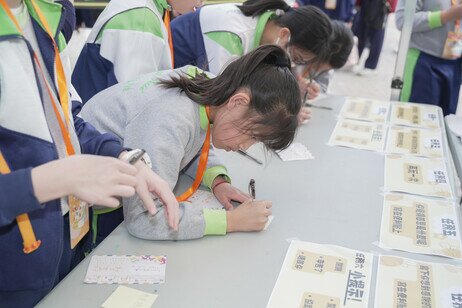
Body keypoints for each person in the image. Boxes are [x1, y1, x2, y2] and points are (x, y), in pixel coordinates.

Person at [0, 0, 178, 306]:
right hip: (14, 268)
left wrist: (124, 158)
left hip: (63, 242)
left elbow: (67, 123)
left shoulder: (46, 18)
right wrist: (55, 179)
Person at [80, 45, 300, 240]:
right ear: (238, 102)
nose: (245, 147)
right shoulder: (171, 119)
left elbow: (193, 141)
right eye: (252, 134)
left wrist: (217, 181)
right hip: (89, 209)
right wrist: (230, 221)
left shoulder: (204, 85)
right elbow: (146, 219)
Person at [171, 0, 332, 123]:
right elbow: (222, 99)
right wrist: (278, 117)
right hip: (171, 91)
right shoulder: (233, 33)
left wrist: (295, 87)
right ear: (284, 35)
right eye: (296, 58)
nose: (292, 64)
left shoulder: (268, 27)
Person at [72, 0, 202, 106]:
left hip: (97, 127)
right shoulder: (141, 18)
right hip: (102, 132)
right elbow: (134, 105)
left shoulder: (143, 9)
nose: (203, 2)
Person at [396, 0, 462, 115]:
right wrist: (444, 16)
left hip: (454, 64)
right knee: (415, 119)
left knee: (444, 124)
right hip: (423, 62)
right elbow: (402, 20)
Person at [351, 0, 391, 76]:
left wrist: (390, 5)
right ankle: (355, 59)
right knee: (361, 31)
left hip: (381, 5)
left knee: (377, 35)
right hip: (366, 4)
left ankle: (371, 66)